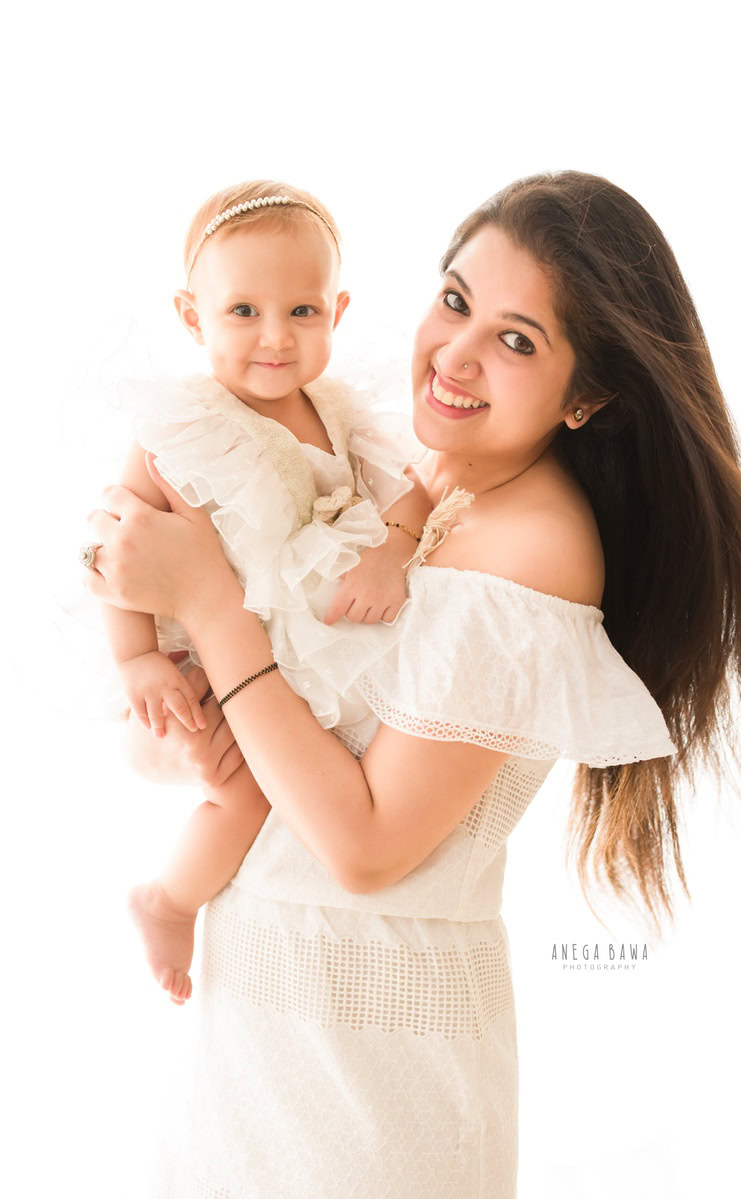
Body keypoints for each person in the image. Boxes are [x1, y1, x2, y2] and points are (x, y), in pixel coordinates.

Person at [82, 170, 741, 1197]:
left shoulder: (531, 550)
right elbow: (241, 738)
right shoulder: (411, 478)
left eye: (516, 340)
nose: (453, 354)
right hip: (259, 1032)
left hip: (368, 1094)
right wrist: (171, 696)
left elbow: (366, 846)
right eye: (455, 300)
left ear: (587, 394)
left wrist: (207, 607)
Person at [94, 178, 434, 1005]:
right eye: (242, 311)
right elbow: (117, 545)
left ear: (337, 310)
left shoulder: (342, 413)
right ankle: (169, 900)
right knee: (243, 790)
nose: (274, 338)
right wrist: (138, 657)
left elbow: (410, 496)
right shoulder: (182, 422)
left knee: (308, 777)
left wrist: (392, 550)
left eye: (302, 312)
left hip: (287, 655)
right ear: (191, 315)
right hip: (199, 656)